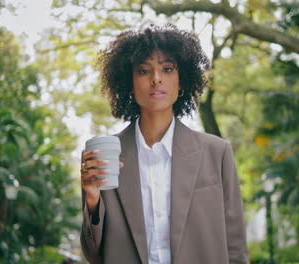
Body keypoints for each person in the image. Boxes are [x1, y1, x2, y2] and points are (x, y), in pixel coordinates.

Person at [80, 24, 248, 264]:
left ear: (182, 82)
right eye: (143, 71)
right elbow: (94, 254)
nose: (156, 79)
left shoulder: (216, 153)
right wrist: (92, 200)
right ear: (129, 83)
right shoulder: (104, 156)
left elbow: (236, 248)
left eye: (167, 69)